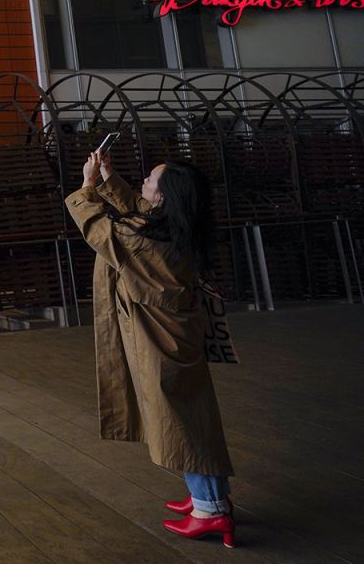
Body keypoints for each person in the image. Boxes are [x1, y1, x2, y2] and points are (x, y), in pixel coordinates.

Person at [66, 150, 236, 549]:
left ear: (164, 198)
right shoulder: (174, 226)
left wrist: (89, 185)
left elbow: (98, 226)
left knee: (185, 421)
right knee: (186, 415)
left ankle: (210, 510)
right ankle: (207, 496)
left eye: (149, 181)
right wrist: (109, 176)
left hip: (161, 341)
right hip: (174, 334)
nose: (142, 184)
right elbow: (137, 210)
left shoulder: (141, 239)